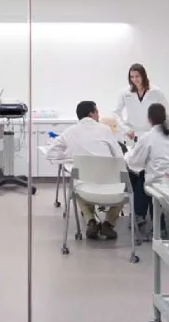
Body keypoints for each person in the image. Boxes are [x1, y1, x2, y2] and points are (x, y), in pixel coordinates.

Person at [46, 100, 124, 240]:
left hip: (86, 188)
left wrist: (70, 154)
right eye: (97, 112)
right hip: (110, 187)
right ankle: (108, 223)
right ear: (91, 114)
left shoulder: (70, 132)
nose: (98, 115)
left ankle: (90, 221)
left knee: (76, 185)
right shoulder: (105, 130)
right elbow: (119, 157)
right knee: (126, 186)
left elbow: (51, 152)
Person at [125, 103, 169, 232]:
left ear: (149, 118)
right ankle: (145, 217)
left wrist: (127, 154)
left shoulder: (148, 137)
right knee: (144, 176)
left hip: (156, 181)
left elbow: (135, 162)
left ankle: (140, 215)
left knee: (139, 177)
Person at [112, 63, 169, 141]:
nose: (134, 79)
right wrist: (125, 129)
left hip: (150, 133)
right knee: (130, 152)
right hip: (131, 135)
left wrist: (164, 130)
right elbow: (115, 112)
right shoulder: (125, 92)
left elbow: (166, 111)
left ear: (143, 76)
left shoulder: (156, 92)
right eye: (132, 77)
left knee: (150, 152)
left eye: (137, 76)